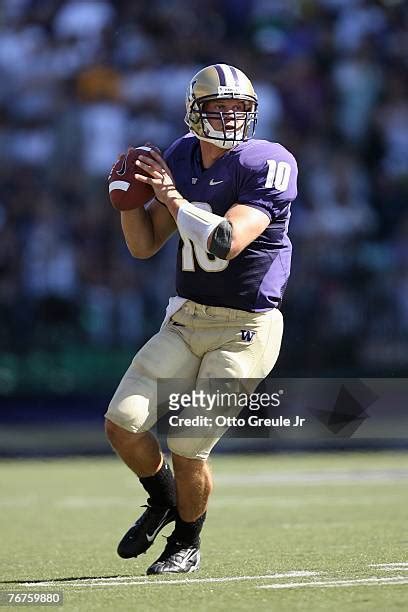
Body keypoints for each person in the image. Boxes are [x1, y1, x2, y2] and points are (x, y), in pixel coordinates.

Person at [104, 63, 298, 575]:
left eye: (240, 109)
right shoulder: (181, 156)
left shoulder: (268, 161)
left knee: (189, 445)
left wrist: (168, 194)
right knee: (121, 425)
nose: (231, 118)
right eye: (220, 108)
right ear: (195, 112)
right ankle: (164, 499)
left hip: (245, 329)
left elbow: (226, 241)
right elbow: (145, 245)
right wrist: (128, 199)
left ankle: (187, 540)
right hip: (186, 318)